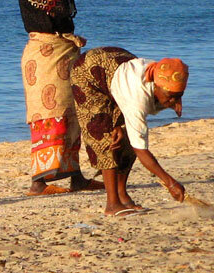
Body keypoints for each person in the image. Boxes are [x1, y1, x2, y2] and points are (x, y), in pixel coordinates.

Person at [12, 0, 100, 195]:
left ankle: (76, 177)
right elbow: (59, 7)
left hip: (58, 52)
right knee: (52, 115)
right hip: (46, 56)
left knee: (70, 113)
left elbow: (60, 9)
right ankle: (38, 182)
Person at [69, 49, 189, 215]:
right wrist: (170, 182)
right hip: (88, 73)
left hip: (116, 71)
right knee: (105, 137)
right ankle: (112, 204)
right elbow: (141, 149)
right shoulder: (137, 98)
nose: (173, 101)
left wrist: (173, 99)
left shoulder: (161, 76)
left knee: (126, 137)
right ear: (156, 86)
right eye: (170, 96)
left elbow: (163, 95)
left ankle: (122, 195)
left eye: (178, 96)